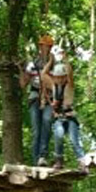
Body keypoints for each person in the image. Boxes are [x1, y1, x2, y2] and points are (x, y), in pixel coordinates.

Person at [43, 56, 89, 171]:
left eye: (61, 77)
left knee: (74, 140)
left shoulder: (69, 86)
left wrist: (66, 61)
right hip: (59, 117)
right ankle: (59, 161)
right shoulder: (54, 86)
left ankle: (82, 163)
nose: (59, 80)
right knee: (58, 136)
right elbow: (43, 74)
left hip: (70, 116)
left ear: (64, 77)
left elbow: (70, 75)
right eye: (57, 77)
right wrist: (50, 61)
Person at [20, 34, 55, 165]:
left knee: (47, 122)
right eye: (44, 46)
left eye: (49, 46)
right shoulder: (32, 64)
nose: (46, 49)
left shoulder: (55, 65)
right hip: (35, 97)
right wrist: (22, 70)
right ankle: (36, 161)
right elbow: (23, 84)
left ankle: (42, 156)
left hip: (49, 98)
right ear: (40, 47)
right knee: (36, 130)